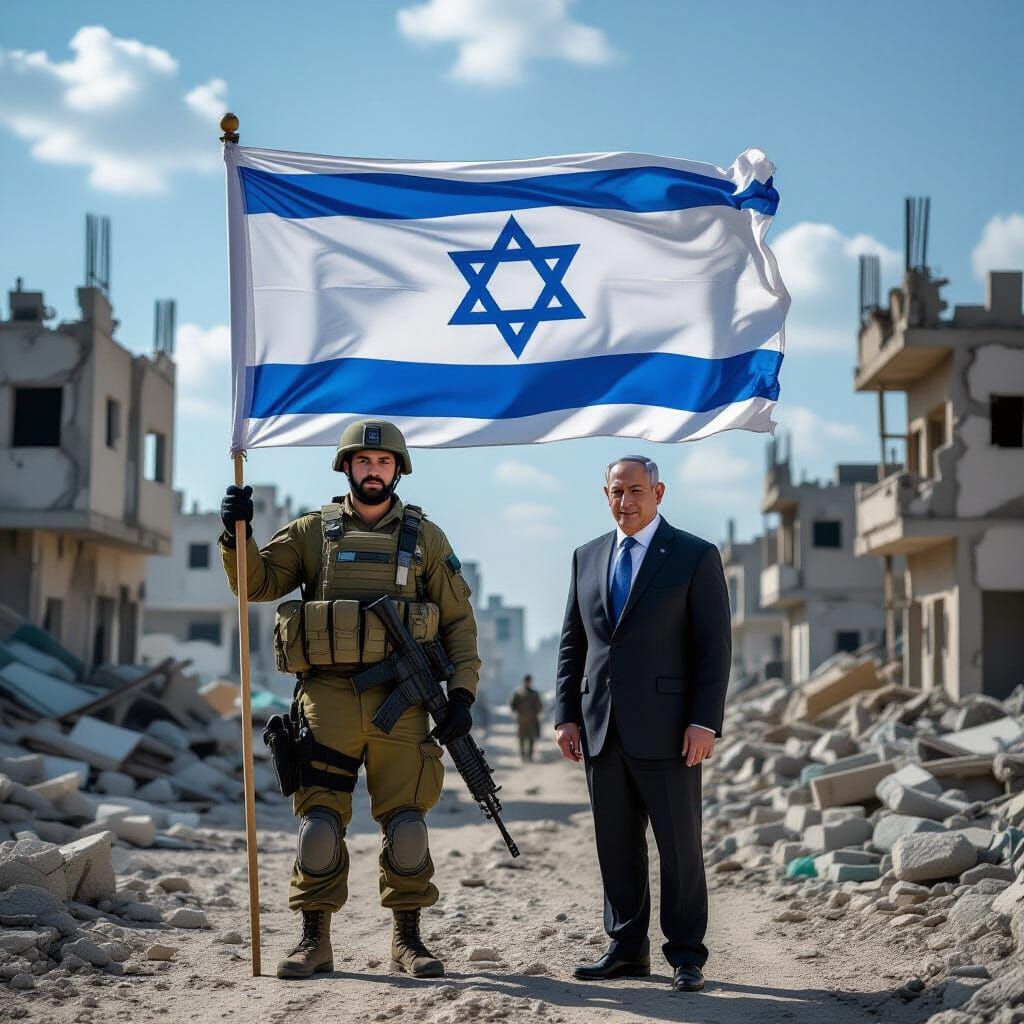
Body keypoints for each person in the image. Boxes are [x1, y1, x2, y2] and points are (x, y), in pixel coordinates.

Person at [219, 420, 480, 981]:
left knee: (408, 828)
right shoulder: (313, 532)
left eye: (384, 463)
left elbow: (458, 622)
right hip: (328, 700)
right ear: (347, 467)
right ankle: (314, 941)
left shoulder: (426, 538)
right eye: (364, 461)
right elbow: (257, 584)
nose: (374, 471)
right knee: (318, 828)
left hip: (404, 704)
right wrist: (237, 533)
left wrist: (461, 692)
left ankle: (408, 940)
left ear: (397, 470)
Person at [553, 456, 730, 993]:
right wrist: (565, 714)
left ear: (658, 491)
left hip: (672, 729)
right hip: (601, 727)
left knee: (679, 847)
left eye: (635, 491)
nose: (625, 501)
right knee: (615, 844)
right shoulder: (587, 556)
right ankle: (626, 948)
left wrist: (704, 721)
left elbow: (714, 648)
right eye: (615, 491)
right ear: (603, 493)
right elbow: (573, 644)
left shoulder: (696, 556)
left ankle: (686, 955)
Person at [509, 674, 544, 762]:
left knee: (531, 738)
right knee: (521, 738)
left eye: (529, 681)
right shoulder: (518, 693)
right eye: (527, 681)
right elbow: (513, 704)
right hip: (522, 720)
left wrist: (538, 713)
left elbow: (539, 706)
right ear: (524, 682)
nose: (528, 683)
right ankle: (523, 756)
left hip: (532, 720)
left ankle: (530, 756)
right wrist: (515, 710)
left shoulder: (535, 693)